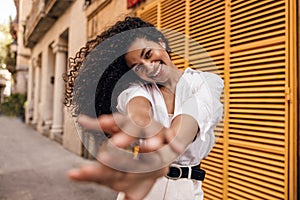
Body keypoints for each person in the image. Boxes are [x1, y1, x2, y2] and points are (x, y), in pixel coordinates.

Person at [64, 16, 223, 200]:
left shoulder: (206, 82)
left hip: (187, 192)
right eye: (137, 67)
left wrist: (164, 144)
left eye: (148, 54)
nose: (148, 67)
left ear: (161, 42)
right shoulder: (136, 90)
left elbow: (191, 119)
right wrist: (140, 125)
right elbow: (138, 111)